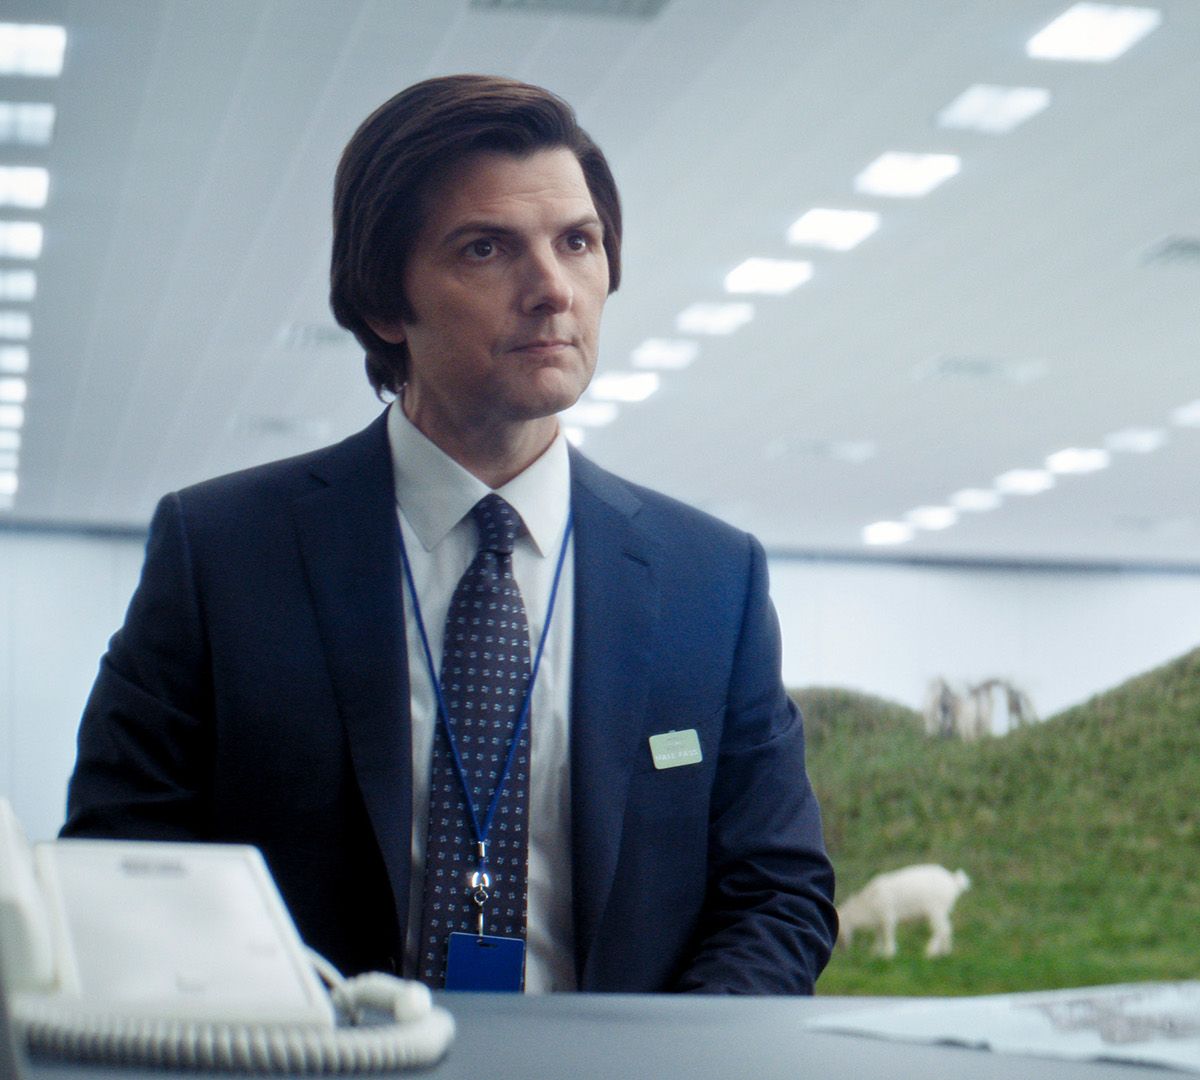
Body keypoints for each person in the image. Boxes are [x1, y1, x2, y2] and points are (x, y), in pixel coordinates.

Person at [62, 75, 836, 994]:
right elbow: (121, 858)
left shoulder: (712, 577)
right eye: (486, 249)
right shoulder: (222, 552)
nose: (553, 291)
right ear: (387, 302)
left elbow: (778, 892)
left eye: (577, 243)